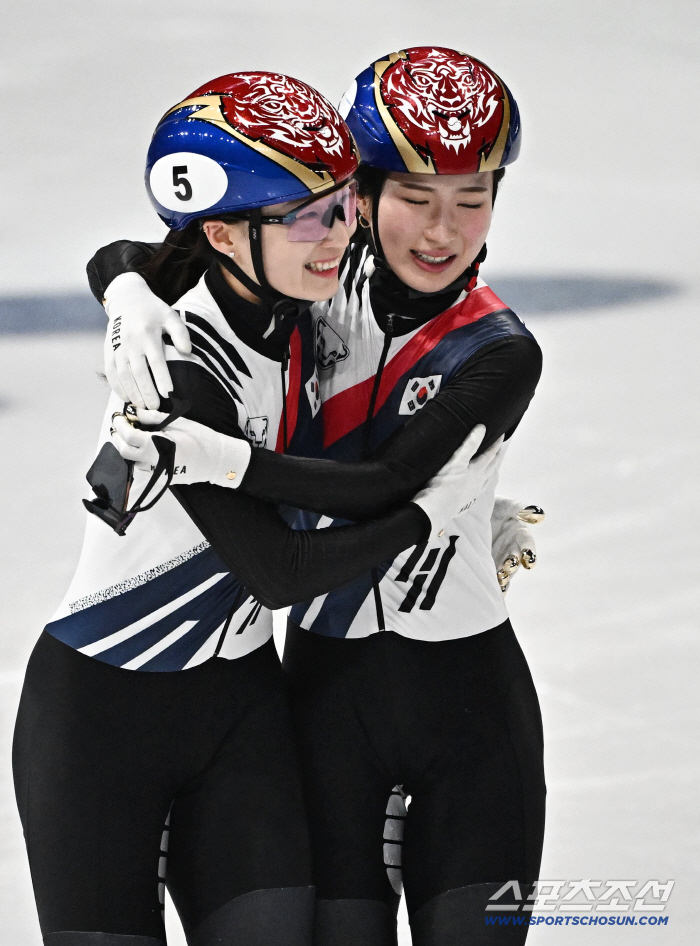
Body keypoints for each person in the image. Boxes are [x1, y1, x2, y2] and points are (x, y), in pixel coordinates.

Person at [12, 70, 493, 946]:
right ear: (228, 234)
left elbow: (127, 249)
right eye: (310, 217)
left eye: (343, 204)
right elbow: (280, 573)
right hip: (101, 719)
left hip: (242, 707)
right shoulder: (176, 372)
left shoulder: (296, 293)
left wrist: (122, 285)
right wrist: (431, 513)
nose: (340, 236)